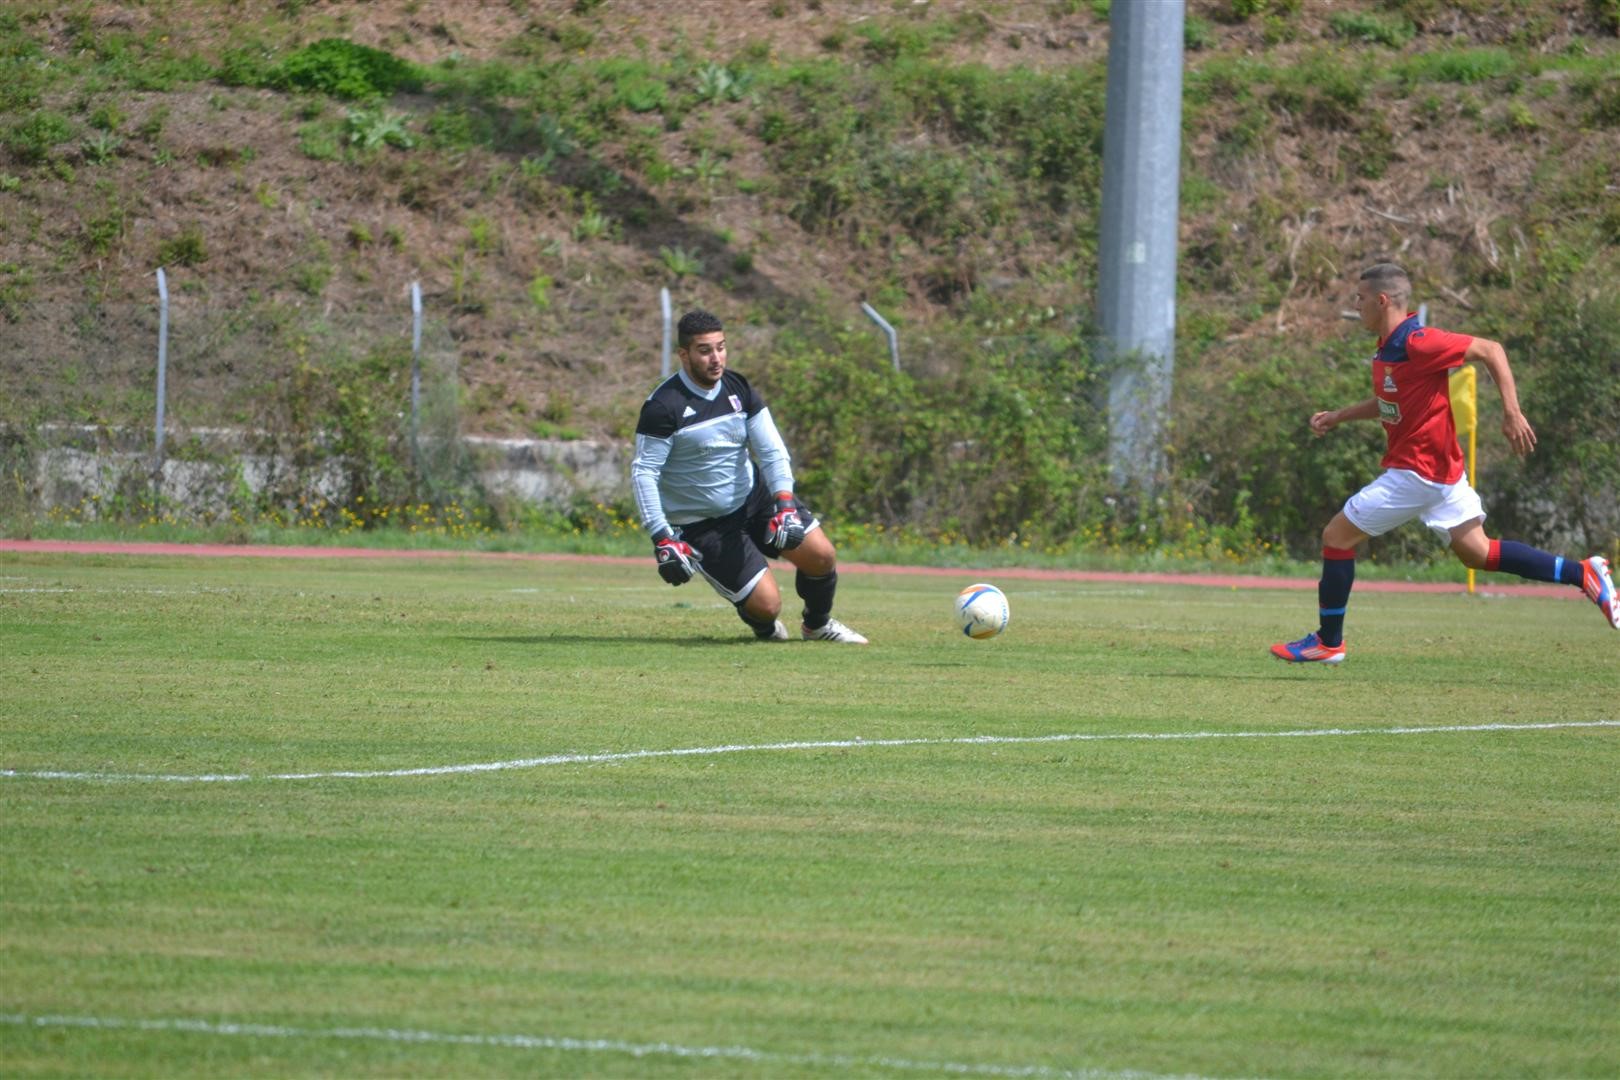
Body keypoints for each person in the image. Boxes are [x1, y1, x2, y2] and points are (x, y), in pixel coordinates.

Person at [1271, 262, 1618, 664]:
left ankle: (1328, 642)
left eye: (1361, 298)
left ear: (1382, 300)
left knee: (1336, 537)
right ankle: (1585, 573)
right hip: (1441, 473)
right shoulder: (1389, 347)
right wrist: (1339, 416)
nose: (1356, 305)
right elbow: (1392, 401)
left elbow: (1491, 350)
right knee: (1478, 553)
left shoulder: (1419, 342)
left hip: (1418, 472)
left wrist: (1511, 412)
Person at [630, 309, 868, 644]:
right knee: (767, 606)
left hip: (753, 499)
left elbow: (771, 450)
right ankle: (765, 628)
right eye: (705, 350)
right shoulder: (663, 406)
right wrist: (662, 537)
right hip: (704, 524)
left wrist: (784, 501)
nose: (716, 358)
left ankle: (817, 626)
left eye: (721, 347)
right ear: (684, 354)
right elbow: (644, 472)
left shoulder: (737, 388)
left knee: (821, 555)